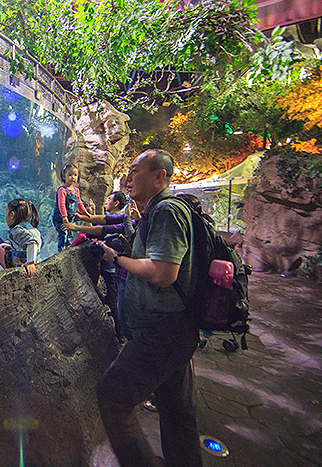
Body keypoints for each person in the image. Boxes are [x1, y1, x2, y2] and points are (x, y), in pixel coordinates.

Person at [96, 149, 202, 467]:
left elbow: (163, 273)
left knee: (112, 396)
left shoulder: (167, 211)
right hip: (175, 330)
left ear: (160, 176)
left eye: (136, 170)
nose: (128, 177)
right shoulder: (155, 211)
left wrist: (116, 260)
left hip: (162, 332)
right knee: (176, 411)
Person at [62, 191, 138, 342]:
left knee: (116, 304)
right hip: (120, 270)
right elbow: (104, 220)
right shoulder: (125, 218)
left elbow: (103, 229)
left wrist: (76, 227)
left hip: (122, 270)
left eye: (110, 198)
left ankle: (123, 336)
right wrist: (84, 216)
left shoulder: (132, 221)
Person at [0, 198, 42, 277]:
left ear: (12, 215)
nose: (5, 216)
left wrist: (30, 263)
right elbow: (28, 243)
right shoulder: (32, 228)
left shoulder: (18, 231)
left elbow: (32, 243)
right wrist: (10, 246)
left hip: (17, 264)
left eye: (6, 212)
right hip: (36, 261)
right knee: (2, 246)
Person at [51, 164, 91, 251]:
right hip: (61, 217)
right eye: (70, 175)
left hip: (71, 217)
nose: (73, 177)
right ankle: (61, 252)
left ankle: (67, 250)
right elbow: (61, 205)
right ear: (64, 176)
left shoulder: (76, 190)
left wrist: (85, 212)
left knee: (70, 234)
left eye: (75, 175)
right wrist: (64, 217)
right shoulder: (62, 190)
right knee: (63, 234)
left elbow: (79, 203)